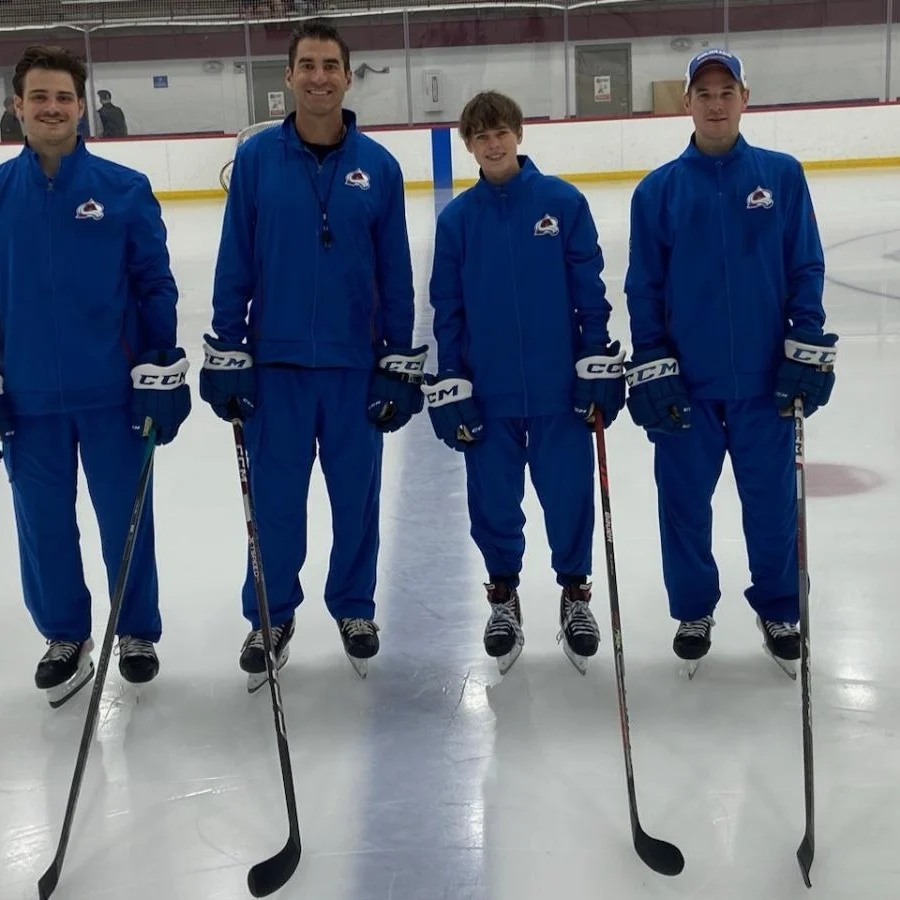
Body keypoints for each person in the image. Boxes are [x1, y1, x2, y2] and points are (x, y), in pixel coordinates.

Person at [200, 19, 424, 684]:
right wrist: (226, 347)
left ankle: (355, 607)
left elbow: (397, 276)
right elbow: (235, 258)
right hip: (277, 368)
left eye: (331, 64)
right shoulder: (257, 160)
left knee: (356, 501)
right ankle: (270, 614)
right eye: (308, 65)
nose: (319, 76)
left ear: (348, 76)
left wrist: (398, 362)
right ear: (290, 77)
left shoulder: (378, 168)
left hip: (355, 370)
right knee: (274, 503)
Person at [623, 49, 836, 676]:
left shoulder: (782, 175)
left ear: (745, 98)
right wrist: (654, 359)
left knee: (770, 505)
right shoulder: (658, 190)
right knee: (683, 506)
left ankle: (778, 608)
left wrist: (806, 341)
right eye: (704, 93)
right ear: (686, 103)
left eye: (726, 92)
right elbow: (644, 286)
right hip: (687, 385)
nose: (715, 104)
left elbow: (806, 265)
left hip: (766, 384)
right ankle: (694, 608)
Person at [0, 45, 191, 706]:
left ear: (81, 107)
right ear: (17, 107)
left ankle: (135, 631)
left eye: (63, 98)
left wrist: (157, 369)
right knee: (42, 524)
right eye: (38, 98)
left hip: (112, 394)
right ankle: (64, 636)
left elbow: (154, 287)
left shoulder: (121, 190)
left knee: (126, 520)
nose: (51, 108)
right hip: (27, 401)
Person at [424, 91, 625, 676]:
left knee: (567, 494)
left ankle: (575, 593)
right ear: (468, 145)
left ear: (518, 133)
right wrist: (454, 374)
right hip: (489, 391)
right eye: (482, 136)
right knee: (492, 502)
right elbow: (448, 306)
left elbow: (590, 288)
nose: (494, 143)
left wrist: (594, 358)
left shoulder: (561, 202)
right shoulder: (458, 220)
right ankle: (503, 597)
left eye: (501, 131)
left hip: (558, 388)